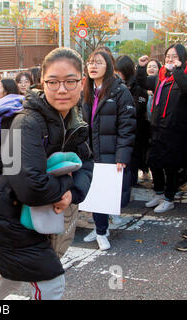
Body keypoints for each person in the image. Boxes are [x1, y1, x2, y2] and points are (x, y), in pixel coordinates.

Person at [0, 47, 94, 300]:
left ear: (82, 82)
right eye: (53, 82)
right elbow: (29, 186)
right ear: (42, 83)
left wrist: (74, 192)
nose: (62, 89)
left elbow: (87, 162)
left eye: (70, 81)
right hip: (7, 215)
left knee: (11, 273)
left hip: (38, 213)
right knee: (51, 281)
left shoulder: (76, 117)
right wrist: (66, 186)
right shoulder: (27, 121)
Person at [82, 50, 136, 251]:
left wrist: (122, 155)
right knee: (94, 192)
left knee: (104, 194)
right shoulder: (86, 90)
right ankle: (99, 228)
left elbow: (127, 126)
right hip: (90, 151)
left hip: (110, 151)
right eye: (90, 62)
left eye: (98, 63)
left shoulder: (120, 91)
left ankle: (102, 231)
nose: (93, 66)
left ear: (109, 66)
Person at [137, 44, 187, 215]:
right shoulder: (162, 76)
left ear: (182, 58)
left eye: (174, 56)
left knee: (170, 166)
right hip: (157, 127)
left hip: (174, 129)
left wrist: (178, 71)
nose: (170, 59)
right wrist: (141, 67)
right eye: (168, 56)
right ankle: (159, 193)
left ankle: (169, 198)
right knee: (154, 161)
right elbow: (143, 81)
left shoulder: (182, 76)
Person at [115, 55, 150, 187]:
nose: (116, 75)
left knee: (133, 158)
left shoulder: (137, 87)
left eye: (119, 72)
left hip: (137, 129)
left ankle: (131, 183)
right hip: (123, 128)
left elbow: (138, 108)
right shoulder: (117, 85)